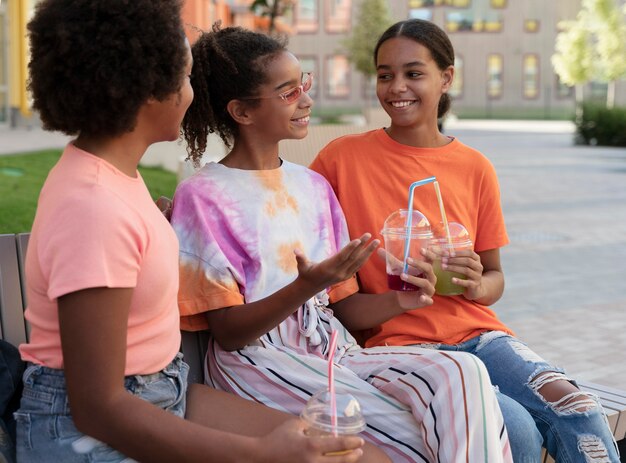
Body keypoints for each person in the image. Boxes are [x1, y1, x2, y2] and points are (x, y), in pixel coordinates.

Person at [14, 1, 368, 462]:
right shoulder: (92, 206)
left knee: (358, 453)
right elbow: (97, 408)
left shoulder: (118, 179)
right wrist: (260, 453)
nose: (191, 93)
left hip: (163, 389)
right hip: (92, 429)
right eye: (183, 78)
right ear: (143, 89)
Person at [171, 24, 513, 463]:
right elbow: (229, 334)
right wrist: (307, 285)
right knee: (416, 439)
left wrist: (405, 300)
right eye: (288, 92)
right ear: (242, 111)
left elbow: (344, 309)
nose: (307, 100)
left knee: (462, 372)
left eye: (304, 85)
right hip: (260, 362)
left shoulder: (313, 186)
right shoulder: (205, 197)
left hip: (334, 350)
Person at [310, 18, 620, 463]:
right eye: (385, 74)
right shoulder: (340, 160)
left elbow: (494, 279)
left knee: (579, 409)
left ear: (446, 77)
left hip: (480, 335)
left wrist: (476, 284)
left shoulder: (475, 167)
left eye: (413, 73)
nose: (397, 86)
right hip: (400, 346)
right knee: (514, 430)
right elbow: (336, 298)